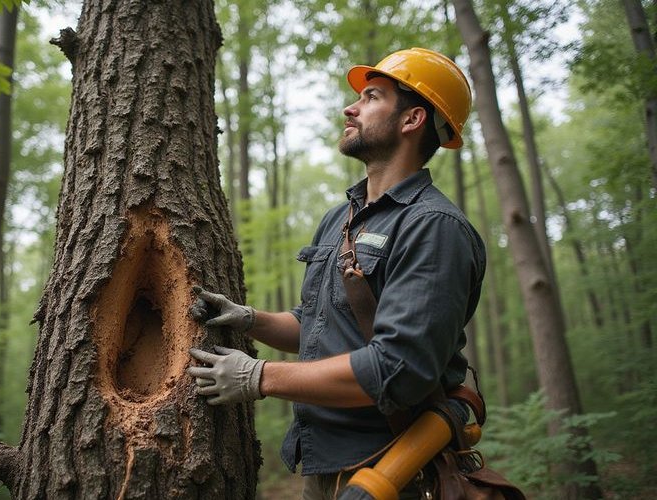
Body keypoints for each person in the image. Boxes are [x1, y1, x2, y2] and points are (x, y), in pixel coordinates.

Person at [187, 48, 486, 500]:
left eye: (371, 97)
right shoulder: (339, 219)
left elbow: (398, 369)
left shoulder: (433, 227)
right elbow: (318, 324)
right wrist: (250, 319)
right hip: (324, 463)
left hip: (397, 469)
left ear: (412, 120)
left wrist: (259, 377)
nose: (351, 107)